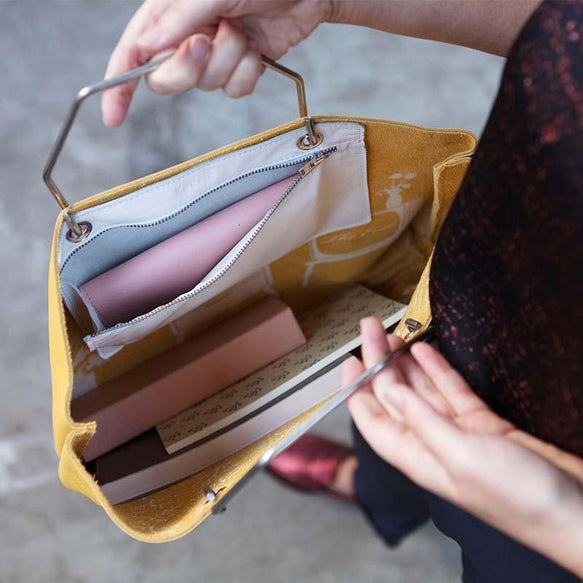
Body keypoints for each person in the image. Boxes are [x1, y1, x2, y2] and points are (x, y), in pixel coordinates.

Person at [102, 1, 583, 580]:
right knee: (378, 383)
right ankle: (374, 486)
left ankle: (392, 491)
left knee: (499, 554)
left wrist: (561, 517)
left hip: (553, 489)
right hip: (464, 293)